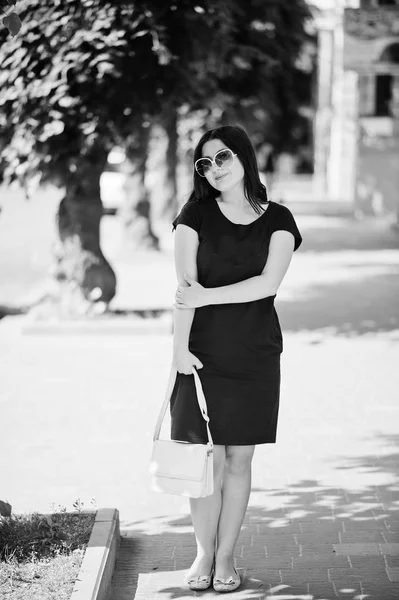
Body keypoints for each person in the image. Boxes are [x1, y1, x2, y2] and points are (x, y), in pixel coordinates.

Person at [170, 125, 302, 593]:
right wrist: (178, 353)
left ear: (244, 156)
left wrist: (206, 296)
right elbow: (184, 292)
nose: (214, 169)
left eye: (222, 157)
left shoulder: (280, 219)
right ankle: (203, 553)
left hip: (255, 354)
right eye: (204, 163)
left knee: (240, 460)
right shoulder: (194, 216)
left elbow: (268, 285)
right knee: (209, 461)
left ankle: (226, 556)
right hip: (202, 354)